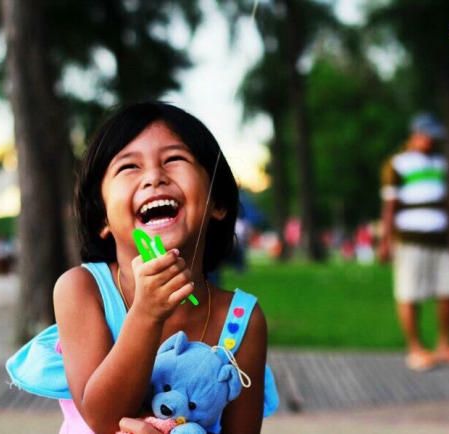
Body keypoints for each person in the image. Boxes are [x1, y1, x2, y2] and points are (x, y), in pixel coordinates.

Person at [14, 102, 270, 434]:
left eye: (174, 159)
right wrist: (146, 314)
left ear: (217, 203)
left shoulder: (241, 321)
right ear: (102, 218)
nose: (154, 177)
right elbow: (103, 419)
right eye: (129, 166)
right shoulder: (82, 290)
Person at [378, 113, 449, 371]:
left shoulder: (440, 163)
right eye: (428, 136)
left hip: (440, 239)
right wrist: (385, 241)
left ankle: (444, 344)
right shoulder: (398, 164)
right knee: (410, 293)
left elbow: (447, 202)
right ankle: (415, 348)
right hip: (410, 238)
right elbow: (390, 206)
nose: (431, 142)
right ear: (415, 135)